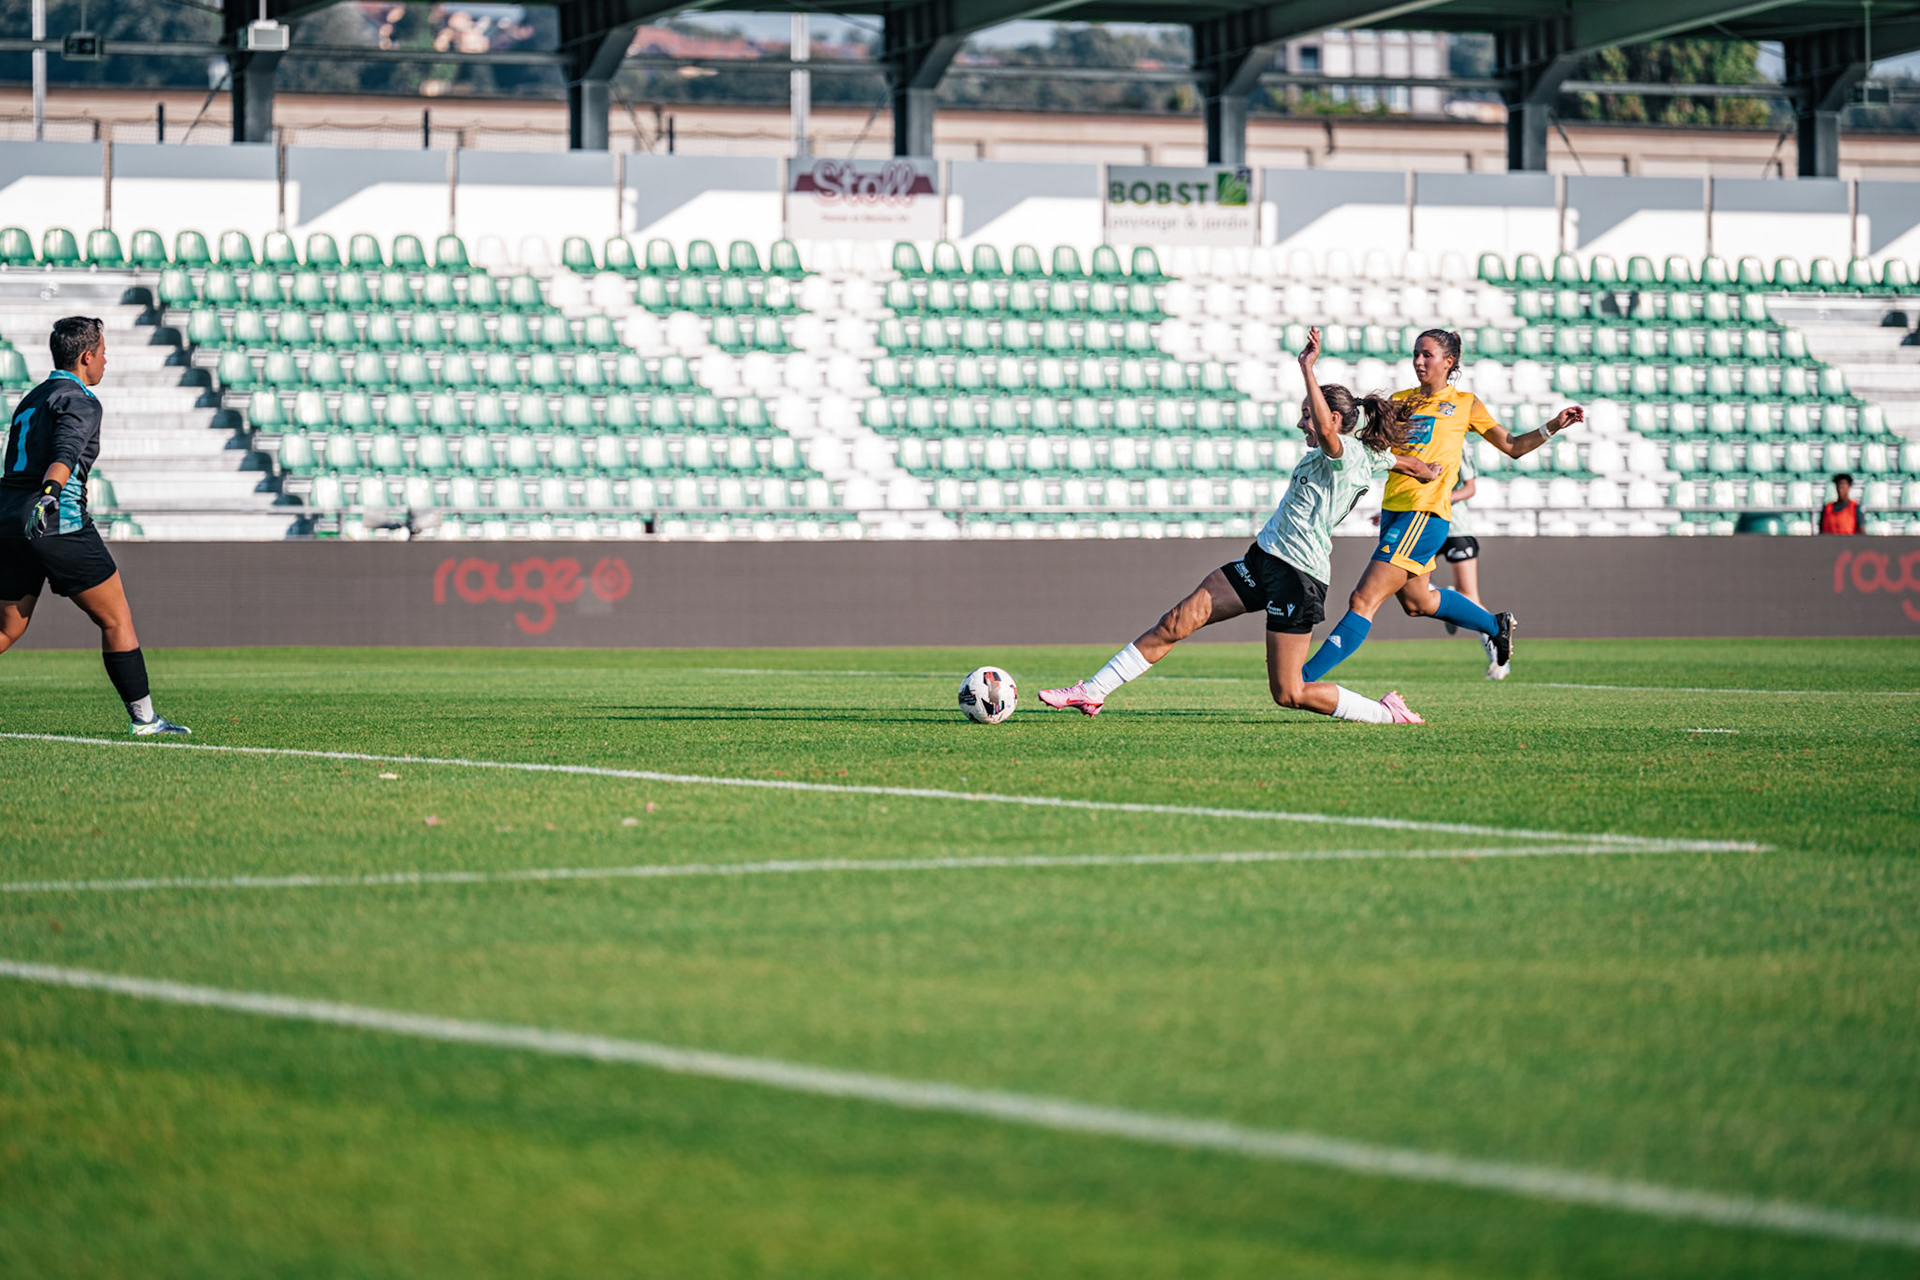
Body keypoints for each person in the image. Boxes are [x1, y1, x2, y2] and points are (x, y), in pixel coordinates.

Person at [1037, 328, 1441, 724]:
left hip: (1299, 576)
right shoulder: (1367, 456)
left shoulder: (1345, 453)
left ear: (1331, 418)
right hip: (1264, 560)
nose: (1302, 424)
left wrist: (1308, 369)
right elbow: (1400, 461)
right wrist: (1426, 470)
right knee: (1178, 620)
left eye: (1307, 415)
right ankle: (1092, 691)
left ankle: (1387, 714)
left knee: (1290, 692)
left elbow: (1335, 439)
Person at [1301, 329, 1582, 684]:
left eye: (1427, 355)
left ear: (1449, 362)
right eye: (1415, 353)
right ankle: (1494, 624)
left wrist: (1553, 426)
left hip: (1424, 512)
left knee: (1362, 599)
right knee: (1418, 602)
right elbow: (1367, 448)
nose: (1418, 361)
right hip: (1394, 511)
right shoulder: (1401, 401)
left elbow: (1512, 446)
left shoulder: (1466, 404)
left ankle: (1303, 679)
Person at [0, 316, 189, 735]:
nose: (107, 359)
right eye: (103, 351)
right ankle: (145, 720)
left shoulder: (31, 398)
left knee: (7, 628)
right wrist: (51, 492)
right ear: (87, 356)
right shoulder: (81, 400)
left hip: (9, 521)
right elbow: (65, 450)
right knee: (116, 619)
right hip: (55, 520)